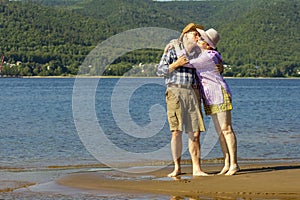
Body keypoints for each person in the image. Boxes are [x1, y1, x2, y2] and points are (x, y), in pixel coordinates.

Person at [173, 28, 239, 175]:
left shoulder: (209, 56)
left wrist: (177, 44)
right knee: (220, 132)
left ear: (208, 45)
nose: (198, 41)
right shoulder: (204, 54)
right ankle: (227, 162)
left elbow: (185, 61)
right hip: (210, 97)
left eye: (201, 40)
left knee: (226, 130)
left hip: (219, 94)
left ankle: (234, 164)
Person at [157, 23, 208, 177]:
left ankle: (197, 169)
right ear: (186, 34)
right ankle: (177, 167)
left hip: (193, 91)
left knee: (195, 133)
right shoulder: (172, 49)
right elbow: (160, 70)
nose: (198, 37)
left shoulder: (199, 52)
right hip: (175, 91)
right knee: (176, 132)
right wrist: (176, 64)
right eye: (195, 34)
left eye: (199, 35)